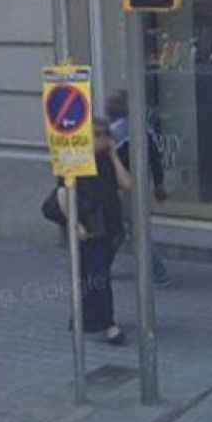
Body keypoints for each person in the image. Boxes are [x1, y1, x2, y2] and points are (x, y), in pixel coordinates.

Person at [55, 118, 132, 345]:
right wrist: (75, 224)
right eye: (97, 134)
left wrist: (114, 155)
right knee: (96, 275)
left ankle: (85, 316)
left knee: (95, 273)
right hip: (87, 227)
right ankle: (108, 324)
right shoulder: (73, 159)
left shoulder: (109, 159)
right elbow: (63, 193)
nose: (103, 138)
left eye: (105, 133)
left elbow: (127, 184)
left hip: (111, 226)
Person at [107, 90, 170, 286]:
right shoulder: (143, 128)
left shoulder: (116, 133)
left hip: (124, 188)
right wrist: (159, 184)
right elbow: (155, 159)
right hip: (139, 185)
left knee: (132, 230)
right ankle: (102, 267)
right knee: (120, 230)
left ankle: (158, 273)